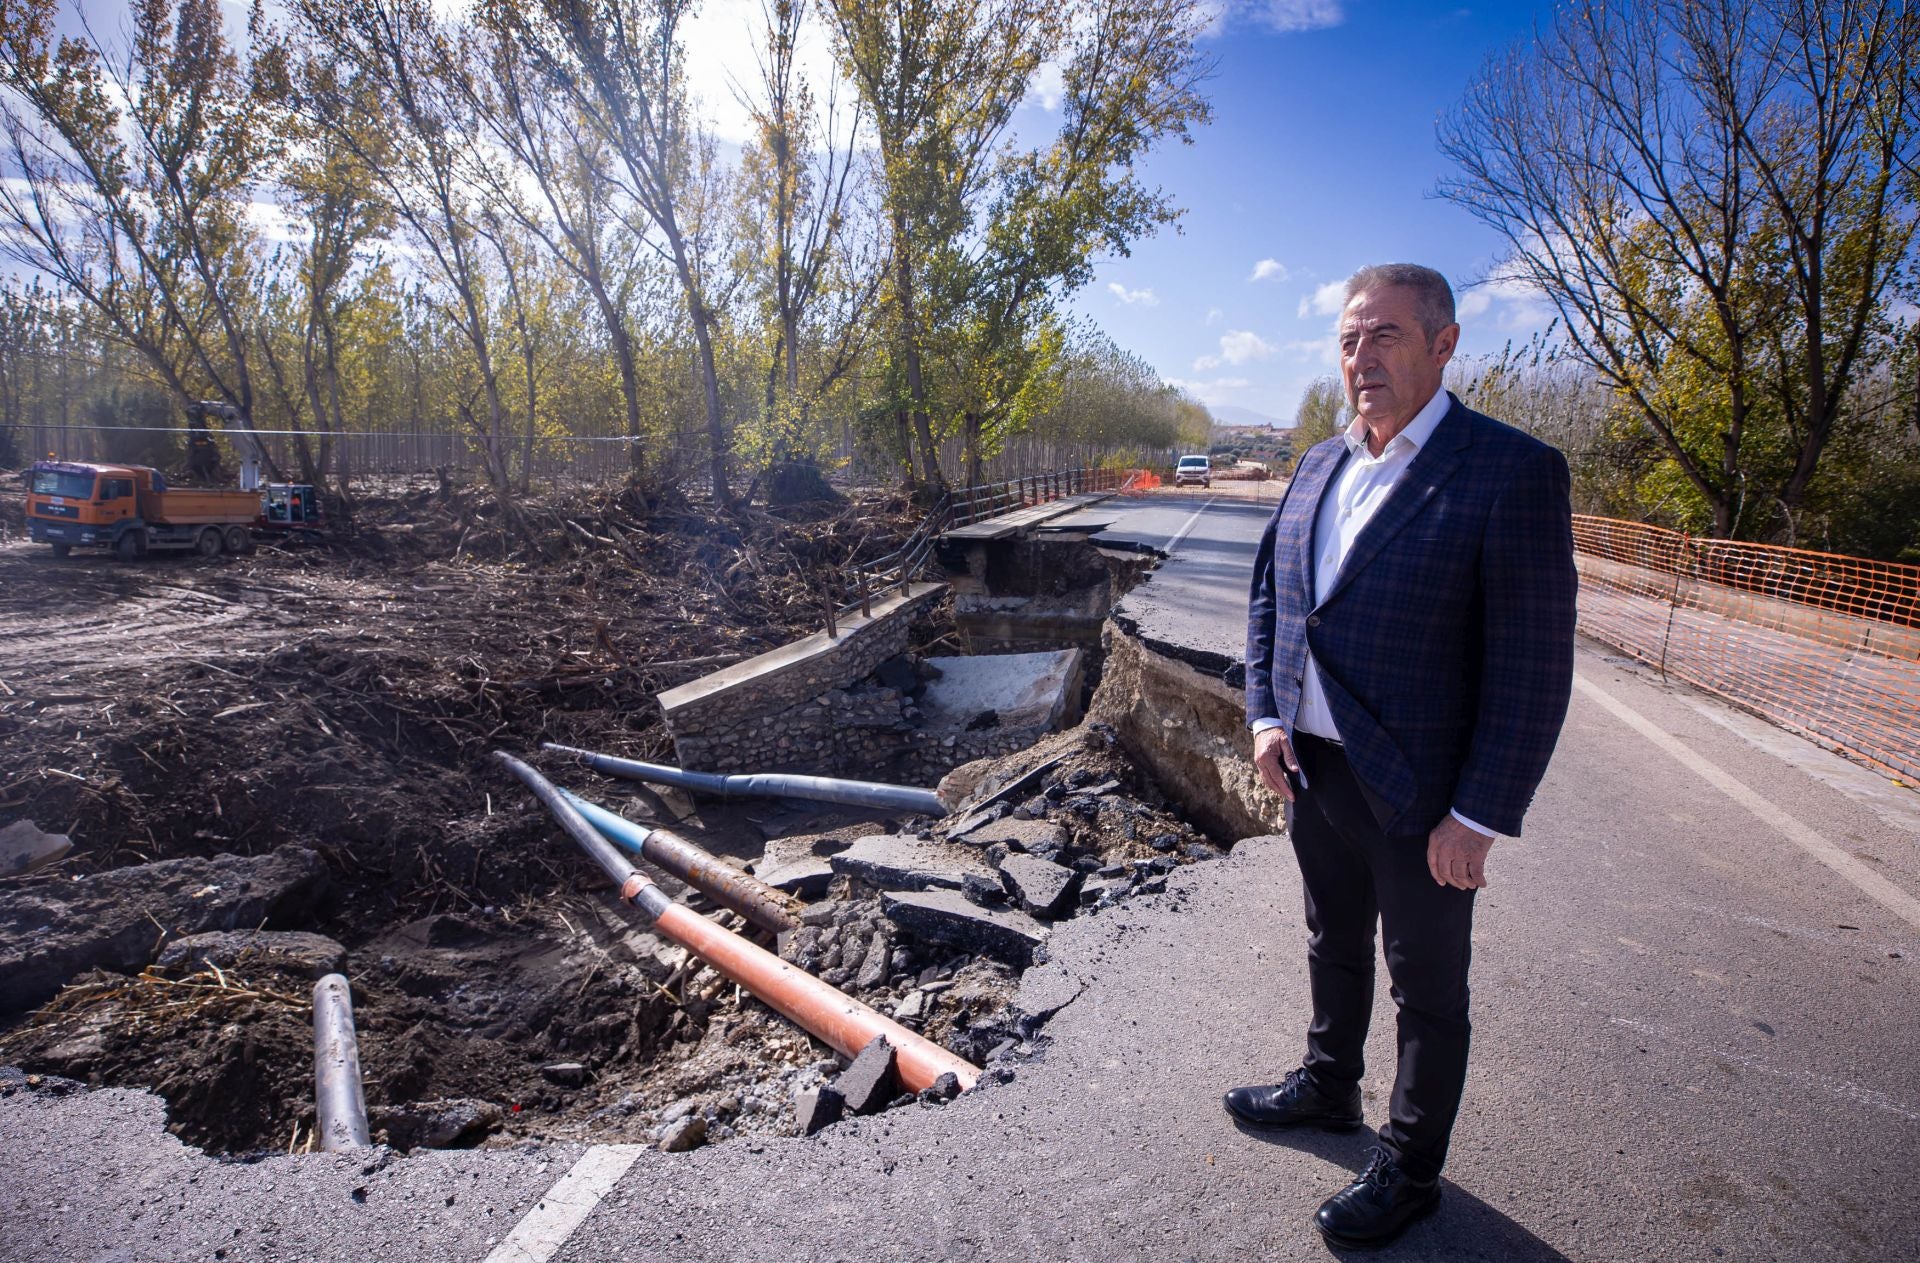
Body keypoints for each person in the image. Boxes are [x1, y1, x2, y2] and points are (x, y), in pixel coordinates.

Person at [1236, 263, 1577, 1248]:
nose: (1361, 358)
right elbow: (1273, 601)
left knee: (1426, 984)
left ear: (1443, 343)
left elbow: (1531, 662)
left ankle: (1412, 1166)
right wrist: (1267, 716)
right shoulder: (1316, 464)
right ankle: (1328, 1088)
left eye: (1384, 335)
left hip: (1424, 794)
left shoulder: (1508, 470)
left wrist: (1481, 813)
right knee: (1328, 941)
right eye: (1349, 340)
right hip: (1312, 769)